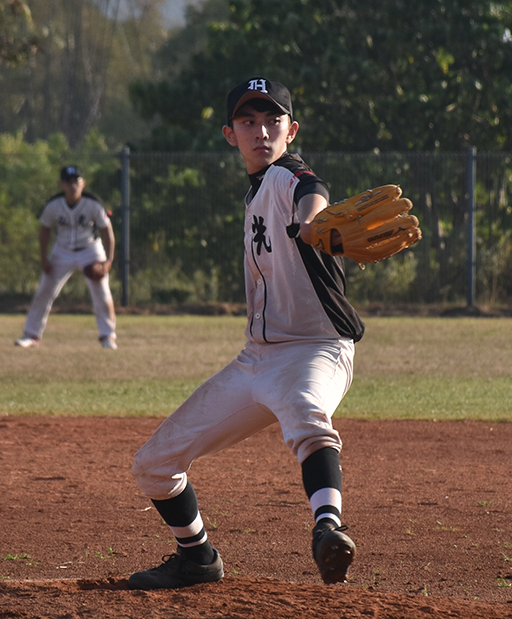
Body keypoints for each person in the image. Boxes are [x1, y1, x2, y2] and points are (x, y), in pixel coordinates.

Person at [126, 76, 360, 589]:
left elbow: (310, 188)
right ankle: (198, 558)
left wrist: (311, 221)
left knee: (306, 414)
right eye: (248, 122)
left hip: (314, 350)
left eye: (272, 120)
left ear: (291, 130)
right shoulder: (255, 191)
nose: (261, 131)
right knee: (155, 464)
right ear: (230, 135)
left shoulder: (285, 178)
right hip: (255, 361)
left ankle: (328, 529)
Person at [14, 165, 118, 349]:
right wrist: (44, 258)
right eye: (68, 182)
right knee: (44, 291)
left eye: (76, 181)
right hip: (62, 251)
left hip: (90, 249)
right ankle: (31, 335)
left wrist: (108, 260)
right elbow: (44, 230)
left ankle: (108, 336)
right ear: (62, 184)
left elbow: (106, 230)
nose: (73, 186)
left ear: (83, 183)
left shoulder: (93, 203)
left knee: (102, 294)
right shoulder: (54, 205)